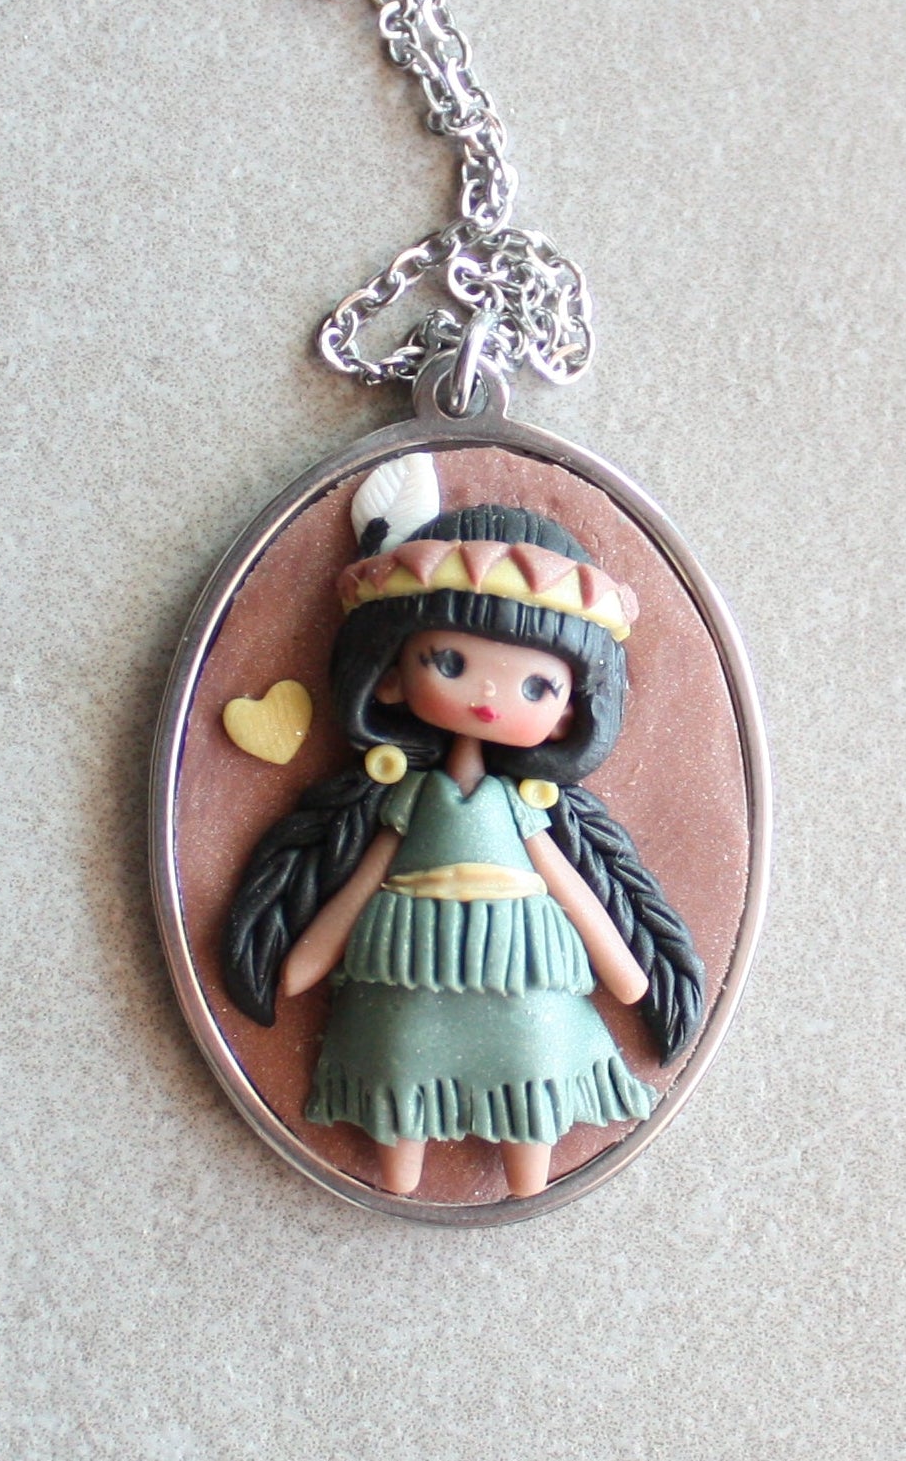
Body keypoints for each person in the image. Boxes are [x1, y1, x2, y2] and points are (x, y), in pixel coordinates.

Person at [222, 456, 704, 1198]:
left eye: (536, 685)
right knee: (402, 1054)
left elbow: (568, 880)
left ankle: (526, 1176)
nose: (487, 696)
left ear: (569, 711)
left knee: (530, 1059)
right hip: (407, 958)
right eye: (449, 661)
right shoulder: (404, 795)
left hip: (522, 963)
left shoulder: (529, 805)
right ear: (389, 675)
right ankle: (401, 1174)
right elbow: (367, 872)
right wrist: (308, 951)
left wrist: (624, 966)